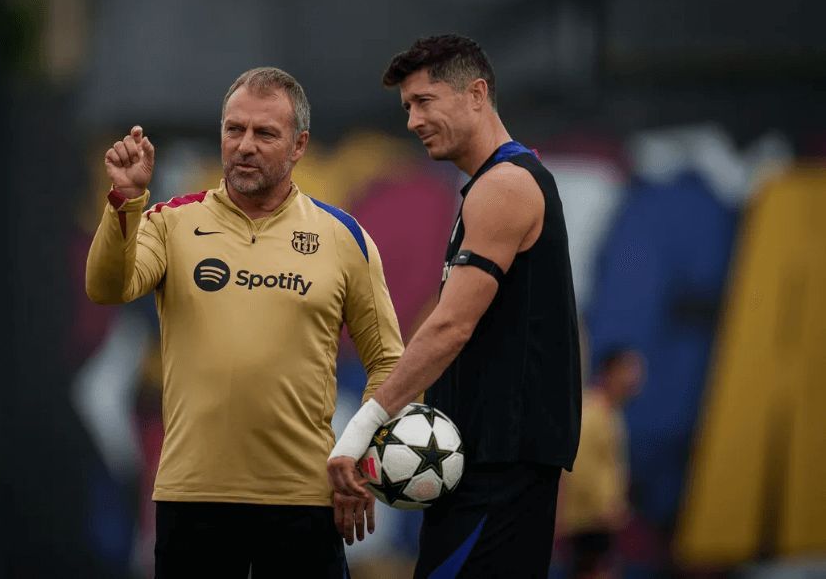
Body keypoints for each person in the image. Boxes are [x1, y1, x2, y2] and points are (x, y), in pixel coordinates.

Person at [86, 67, 404, 577]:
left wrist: (362, 459)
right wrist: (124, 202)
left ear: (299, 144)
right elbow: (107, 287)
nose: (244, 146)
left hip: (305, 502)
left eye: (264, 133)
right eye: (234, 130)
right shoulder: (171, 222)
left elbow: (390, 362)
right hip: (194, 501)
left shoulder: (343, 236)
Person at [328, 34, 582, 578]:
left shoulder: (506, 186)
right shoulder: (489, 187)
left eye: (424, 101)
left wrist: (361, 429)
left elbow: (450, 327)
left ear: (476, 94)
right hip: (484, 468)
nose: (412, 121)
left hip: (499, 471)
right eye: (406, 108)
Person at [559, 347, 644, 579]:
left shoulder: (611, 412)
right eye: (630, 369)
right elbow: (579, 464)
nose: (637, 377)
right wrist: (604, 505)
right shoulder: (594, 412)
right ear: (611, 372)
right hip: (588, 520)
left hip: (598, 519)